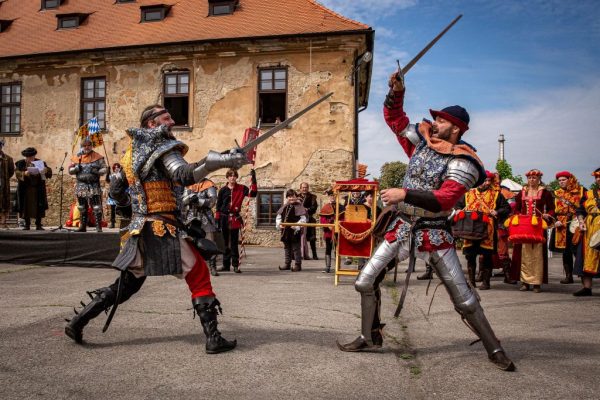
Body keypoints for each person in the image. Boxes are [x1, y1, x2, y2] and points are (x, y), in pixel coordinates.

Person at [337, 70, 515, 372]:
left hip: (436, 233)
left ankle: (494, 348)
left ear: (456, 129)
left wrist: (404, 192)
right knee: (365, 281)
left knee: (465, 301)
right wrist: (396, 91)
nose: (435, 123)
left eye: (442, 121)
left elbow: (445, 198)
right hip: (402, 228)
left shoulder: (464, 160)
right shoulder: (422, 145)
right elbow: (396, 120)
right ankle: (370, 337)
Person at [64, 104, 249, 354]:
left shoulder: (131, 154)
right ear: (152, 123)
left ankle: (78, 322)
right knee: (199, 275)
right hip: (161, 227)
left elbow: (117, 191)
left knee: (128, 284)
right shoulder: (161, 147)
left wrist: (133, 209)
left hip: (141, 227)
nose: (172, 121)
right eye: (167, 117)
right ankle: (213, 338)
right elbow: (184, 175)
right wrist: (219, 161)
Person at [455, 171, 511, 290]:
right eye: (483, 180)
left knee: (487, 256)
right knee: (470, 256)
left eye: (487, 181)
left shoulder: (496, 195)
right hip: (470, 228)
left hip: (487, 230)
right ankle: (471, 282)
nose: (485, 183)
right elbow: (458, 205)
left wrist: (497, 211)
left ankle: (486, 282)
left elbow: (507, 208)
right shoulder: (468, 193)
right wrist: (459, 210)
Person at [508, 169, 555, 293]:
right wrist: (517, 216)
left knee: (537, 254)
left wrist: (547, 215)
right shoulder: (522, 192)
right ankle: (524, 282)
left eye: (534, 178)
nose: (531, 180)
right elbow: (516, 209)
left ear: (539, 179)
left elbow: (552, 209)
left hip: (538, 226)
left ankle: (536, 283)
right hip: (524, 226)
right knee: (522, 254)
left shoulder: (545, 193)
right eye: (529, 178)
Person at [216, 168, 257, 273]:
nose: (232, 177)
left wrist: (254, 179)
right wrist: (217, 220)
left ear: (236, 177)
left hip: (234, 218)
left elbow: (253, 194)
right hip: (224, 218)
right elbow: (218, 205)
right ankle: (225, 265)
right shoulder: (223, 190)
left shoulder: (242, 188)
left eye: (234, 175)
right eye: (230, 176)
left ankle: (235, 265)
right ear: (227, 177)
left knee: (234, 243)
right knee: (225, 243)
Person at [550, 171, 585, 284]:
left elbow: (586, 207)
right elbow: (551, 210)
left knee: (578, 250)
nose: (561, 182)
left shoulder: (581, 190)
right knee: (566, 252)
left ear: (570, 179)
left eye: (563, 180)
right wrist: (554, 221)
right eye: (559, 180)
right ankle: (568, 276)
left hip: (576, 223)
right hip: (562, 224)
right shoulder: (556, 193)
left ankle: (584, 276)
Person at [183, 178, 221, 277]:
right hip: (191, 216)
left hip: (205, 216)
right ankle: (193, 267)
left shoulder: (208, 184)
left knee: (210, 241)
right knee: (190, 242)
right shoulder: (188, 184)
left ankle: (212, 267)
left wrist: (199, 200)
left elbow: (213, 202)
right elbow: (181, 201)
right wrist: (188, 199)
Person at [68, 137, 108, 232]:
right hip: (81, 184)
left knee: (96, 207)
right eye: (84, 145)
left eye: (89, 145)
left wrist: (97, 171)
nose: (87, 147)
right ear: (82, 146)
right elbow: (70, 170)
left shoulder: (97, 157)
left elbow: (105, 169)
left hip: (93, 184)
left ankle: (98, 227)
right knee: (82, 207)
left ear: (91, 146)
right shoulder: (77, 157)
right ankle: (82, 226)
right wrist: (76, 169)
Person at [572, 167, 600, 296]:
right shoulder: (588, 194)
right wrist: (582, 221)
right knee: (584, 257)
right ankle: (587, 288)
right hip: (589, 229)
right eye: (596, 177)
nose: (598, 179)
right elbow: (580, 211)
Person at [15, 147, 52, 230]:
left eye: (32, 157)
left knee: (39, 205)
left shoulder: (40, 162)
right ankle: (27, 224)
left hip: (37, 189)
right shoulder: (20, 163)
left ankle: (38, 224)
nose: (30, 159)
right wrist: (24, 173)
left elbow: (48, 172)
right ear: (25, 156)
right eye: (28, 157)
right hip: (26, 189)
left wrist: (46, 170)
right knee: (25, 206)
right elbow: (17, 173)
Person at [276, 189, 307, 271]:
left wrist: (297, 225)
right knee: (287, 247)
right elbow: (279, 217)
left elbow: (303, 219)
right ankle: (287, 264)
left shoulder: (300, 207)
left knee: (296, 248)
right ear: (287, 197)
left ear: (296, 197)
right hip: (285, 231)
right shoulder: (284, 206)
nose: (291, 198)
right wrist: (279, 224)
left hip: (294, 231)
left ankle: (298, 265)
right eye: (289, 197)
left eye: (293, 196)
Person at [319, 189, 344, 273]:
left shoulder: (341, 207)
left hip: (338, 231)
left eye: (334, 195)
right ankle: (328, 267)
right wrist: (328, 225)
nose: (332, 197)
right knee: (328, 249)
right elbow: (322, 219)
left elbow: (343, 218)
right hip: (328, 232)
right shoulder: (325, 207)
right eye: (331, 196)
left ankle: (337, 266)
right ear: (328, 197)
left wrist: (338, 225)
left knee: (337, 249)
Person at [299, 182, 319, 260]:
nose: (304, 189)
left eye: (306, 187)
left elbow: (314, 207)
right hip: (299, 220)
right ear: (300, 189)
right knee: (299, 238)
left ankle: (314, 254)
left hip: (309, 219)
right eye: (303, 187)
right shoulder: (297, 197)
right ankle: (299, 254)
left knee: (312, 238)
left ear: (308, 188)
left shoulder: (312, 197)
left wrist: (307, 209)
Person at [0, 139, 15, 229]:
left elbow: (11, 171)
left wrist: (4, 178)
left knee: (4, 203)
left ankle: (3, 222)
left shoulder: (8, 159)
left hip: (4, 184)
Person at [105, 163, 122, 229]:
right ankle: (112, 223)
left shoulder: (121, 175)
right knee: (112, 209)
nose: (116, 168)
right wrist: (108, 172)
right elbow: (107, 180)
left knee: (121, 208)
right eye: (115, 167)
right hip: (112, 194)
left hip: (120, 194)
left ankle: (122, 222)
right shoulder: (112, 176)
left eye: (117, 167)